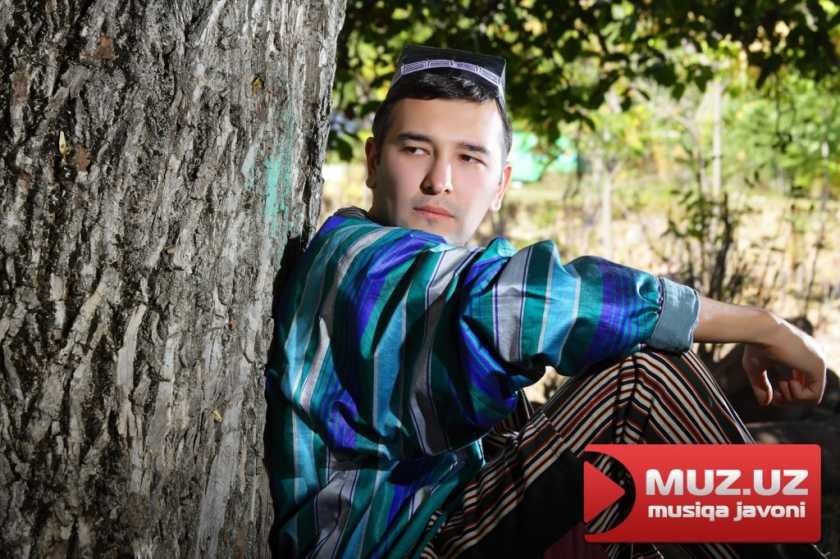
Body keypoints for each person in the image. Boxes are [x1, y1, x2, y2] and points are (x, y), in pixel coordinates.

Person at [263, 45, 828, 558]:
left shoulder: (423, 269)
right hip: (397, 544)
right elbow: (531, 303)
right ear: (372, 162)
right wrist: (764, 326)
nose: (440, 180)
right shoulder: (361, 261)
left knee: (625, 474)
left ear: (501, 184)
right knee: (639, 379)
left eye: (469, 158)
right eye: (415, 149)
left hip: (451, 515)